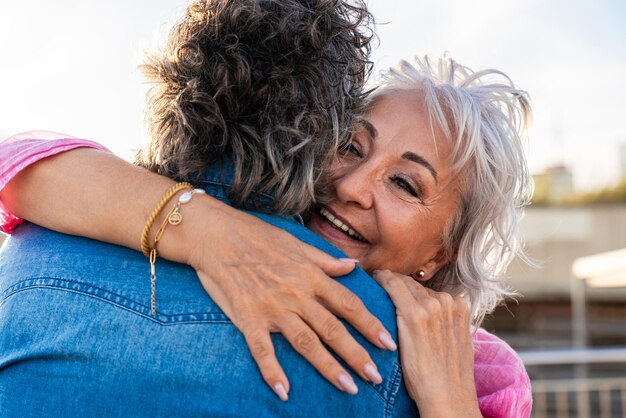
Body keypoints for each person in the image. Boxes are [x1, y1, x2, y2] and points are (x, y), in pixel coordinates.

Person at [0, 1, 532, 417]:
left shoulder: (478, 370)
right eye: (350, 146)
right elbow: (18, 159)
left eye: (404, 183)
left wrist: (451, 406)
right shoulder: (168, 222)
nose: (352, 186)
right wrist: (207, 230)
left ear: (443, 252)